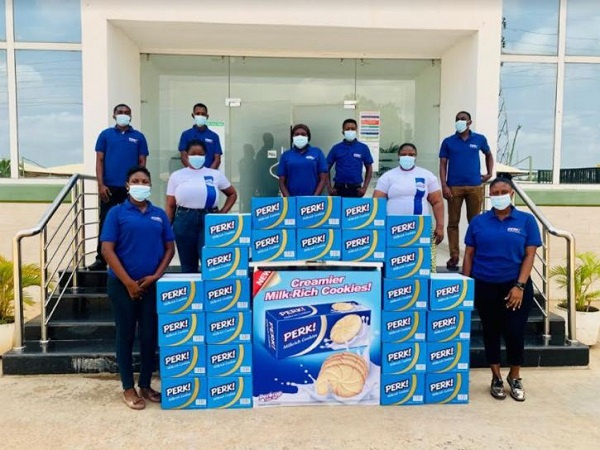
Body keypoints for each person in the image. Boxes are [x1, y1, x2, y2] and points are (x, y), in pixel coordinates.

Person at [101, 166, 175, 410]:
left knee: (149, 336)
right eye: (136, 180)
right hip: (122, 285)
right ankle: (128, 387)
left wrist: (155, 276)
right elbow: (107, 250)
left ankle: (145, 384)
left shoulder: (159, 215)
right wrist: (129, 283)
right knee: (126, 335)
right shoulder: (116, 213)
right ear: (127, 185)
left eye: (145, 180)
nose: (140, 184)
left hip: (151, 285)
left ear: (150, 185)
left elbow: (169, 248)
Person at [462, 177, 541, 402]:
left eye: (503, 191)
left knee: (515, 332)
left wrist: (519, 286)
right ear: (489, 195)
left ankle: (514, 376)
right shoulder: (478, 221)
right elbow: (469, 254)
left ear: (512, 194)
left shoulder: (526, 221)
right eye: (494, 192)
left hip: (515, 285)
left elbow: (530, 255)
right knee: (491, 331)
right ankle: (496, 376)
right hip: (485, 285)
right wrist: (465, 284)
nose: (499, 196)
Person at [91, 104, 149, 271]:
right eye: (120, 112)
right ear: (114, 115)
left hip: (131, 189)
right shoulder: (105, 135)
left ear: (131, 116)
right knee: (106, 221)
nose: (124, 115)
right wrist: (100, 185)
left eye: (127, 113)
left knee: (132, 222)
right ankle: (101, 259)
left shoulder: (138, 137)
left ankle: (129, 257)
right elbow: (99, 161)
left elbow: (142, 162)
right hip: (109, 188)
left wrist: (138, 186)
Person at [166, 140, 237, 273]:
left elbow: (232, 194)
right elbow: (170, 205)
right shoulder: (177, 176)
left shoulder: (215, 174)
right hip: (184, 220)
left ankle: (210, 292)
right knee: (187, 264)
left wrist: (222, 213)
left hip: (209, 219)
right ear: (186, 155)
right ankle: (192, 292)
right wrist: (166, 228)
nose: (197, 157)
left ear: (205, 155)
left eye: (201, 154)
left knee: (210, 262)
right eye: (193, 154)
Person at [439, 110, 494, 271]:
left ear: (470, 122)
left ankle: (475, 254)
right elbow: (443, 164)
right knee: (453, 222)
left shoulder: (479, 139)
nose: (460, 121)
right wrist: (444, 185)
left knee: (475, 222)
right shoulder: (448, 142)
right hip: (454, 187)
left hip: (475, 186)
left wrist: (490, 173)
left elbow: (488, 154)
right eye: (457, 119)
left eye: (463, 119)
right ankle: (454, 255)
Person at [373, 143, 444, 245]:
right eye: (403, 154)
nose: (407, 157)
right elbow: (376, 202)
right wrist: (378, 226)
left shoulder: (427, 175)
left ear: (415, 156)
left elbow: (437, 202)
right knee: (395, 257)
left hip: (420, 226)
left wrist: (440, 226)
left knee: (420, 257)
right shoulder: (388, 176)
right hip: (394, 227)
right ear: (398, 156)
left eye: (411, 155)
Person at [326, 118, 373, 197]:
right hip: (338, 189)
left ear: (356, 131)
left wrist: (364, 188)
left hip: (356, 189)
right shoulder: (336, 148)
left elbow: (369, 168)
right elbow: (326, 168)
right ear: (343, 132)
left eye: (353, 129)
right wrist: (329, 187)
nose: (350, 131)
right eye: (347, 129)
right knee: (337, 209)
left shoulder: (363, 148)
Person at [277, 124, 328, 197]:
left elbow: (323, 178)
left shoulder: (317, 152)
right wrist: (289, 199)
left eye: (303, 134)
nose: (300, 136)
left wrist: (315, 197)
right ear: (292, 137)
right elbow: (281, 181)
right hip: (292, 199)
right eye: (296, 134)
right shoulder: (286, 155)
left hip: (313, 199)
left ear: (308, 137)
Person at [178, 103, 222, 169]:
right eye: (198, 114)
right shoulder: (186, 134)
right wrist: (194, 172)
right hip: (191, 174)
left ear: (207, 116)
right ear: (193, 115)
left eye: (203, 114)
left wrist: (208, 173)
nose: (200, 116)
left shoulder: (214, 136)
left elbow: (217, 159)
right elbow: (183, 157)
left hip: (209, 174)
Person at [255, 132, 280, 197]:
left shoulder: (270, 152)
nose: (272, 142)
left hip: (273, 184)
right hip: (266, 186)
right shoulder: (261, 154)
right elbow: (259, 171)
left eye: (272, 140)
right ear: (265, 141)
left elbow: (275, 166)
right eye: (270, 140)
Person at [239, 143, 257, 212]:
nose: (253, 153)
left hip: (253, 188)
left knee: (253, 206)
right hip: (245, 188)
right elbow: (244, 173)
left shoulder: (254, 162)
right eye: (251, 151)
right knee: (246, 206)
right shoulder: (242, 162)